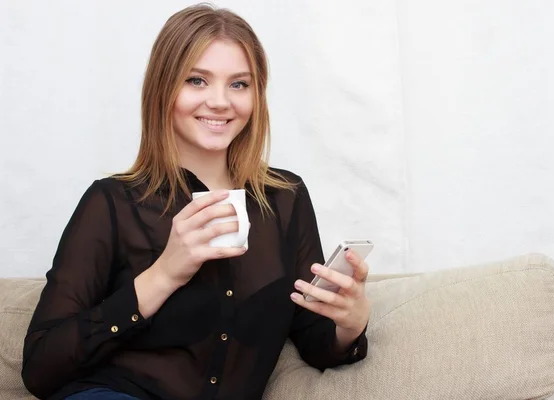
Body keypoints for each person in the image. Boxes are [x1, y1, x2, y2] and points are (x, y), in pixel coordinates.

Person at [21, 4, 371, 400]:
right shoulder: (113, 202)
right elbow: (39, 367)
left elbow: (315, 340)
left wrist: (350, 324)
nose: (220, 102)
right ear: (163, 88)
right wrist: (165, 273)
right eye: (197, 80)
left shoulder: (284, 199)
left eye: (239, 84)